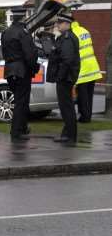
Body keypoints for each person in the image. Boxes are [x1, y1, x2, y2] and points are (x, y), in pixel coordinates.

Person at [1, 7, 39, 142]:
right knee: (21, 102)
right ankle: (16, 131)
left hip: (9, 70)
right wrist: (34, 68)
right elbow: (30, 55)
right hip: (22, 70)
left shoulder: (5, 32)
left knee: (19, 100)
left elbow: (4, 53)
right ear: (23, 18)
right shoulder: (23, 33)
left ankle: (22, 127)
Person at [47, 14, 80, 143]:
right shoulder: (64, 38)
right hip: (66, 77)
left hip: (65, 78)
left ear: (67, 24)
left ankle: (70, 136)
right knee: (66, 106)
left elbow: (67, 60)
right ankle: (67, 133)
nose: (57, 25)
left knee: (66, 107)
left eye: (60, 23)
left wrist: (60, 76)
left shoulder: (67, 38)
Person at [71, 20, 102, 123]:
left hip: (82, 69)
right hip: (92, 67)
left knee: (82, 96)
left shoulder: (72, 33)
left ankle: (84, 118)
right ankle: (88, 116)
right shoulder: (85, 30)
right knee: (89, 95)